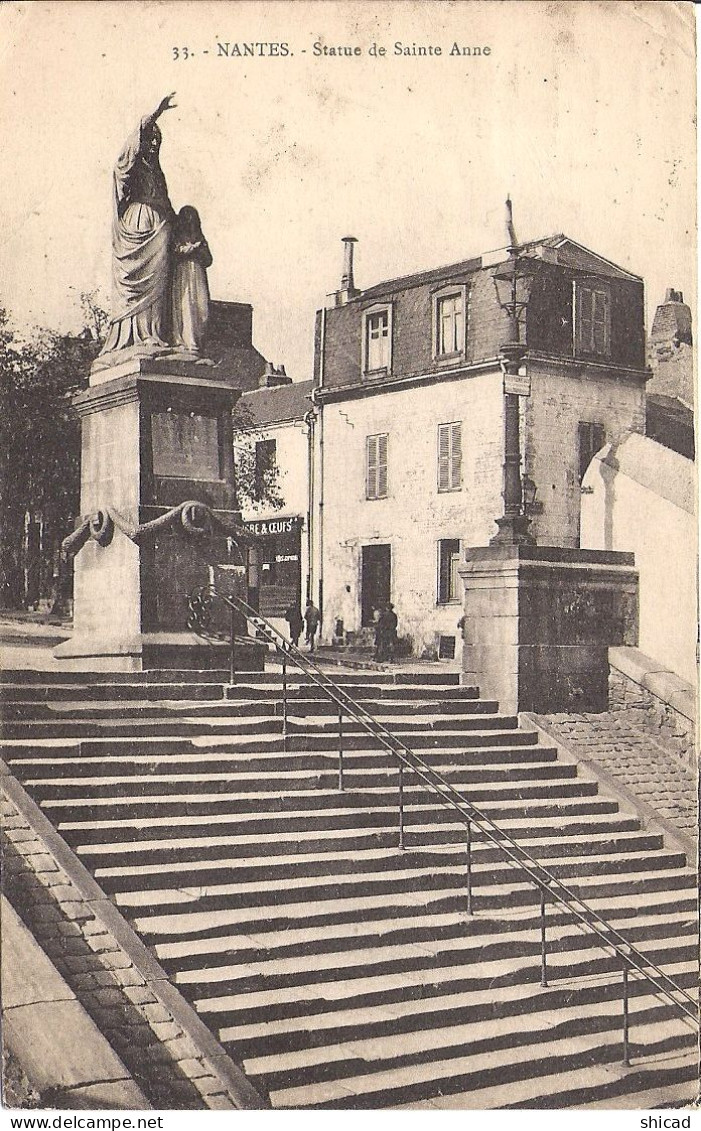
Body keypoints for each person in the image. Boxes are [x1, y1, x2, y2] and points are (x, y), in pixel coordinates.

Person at [101, 94, 177, 356]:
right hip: (139, 222)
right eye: (150, 139)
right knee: (138, 287)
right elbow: (136, 136)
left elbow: (166, 202)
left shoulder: (157, 170)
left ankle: (152, 333)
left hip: (159, 224)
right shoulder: (130, 163)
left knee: (160, 282)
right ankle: (136, 335)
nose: (154, 143)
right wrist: (156, 113)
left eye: (158, 140)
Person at [170, 205, 213, 354]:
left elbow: (209, 259)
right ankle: (188, 342)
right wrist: (193, 249)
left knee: (201, 308)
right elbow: (175, 253)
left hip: (198, 274)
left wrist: (199, 249)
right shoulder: (177, 237)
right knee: (186, 306)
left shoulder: (200, 238)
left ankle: (198, 340)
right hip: (183, 273)